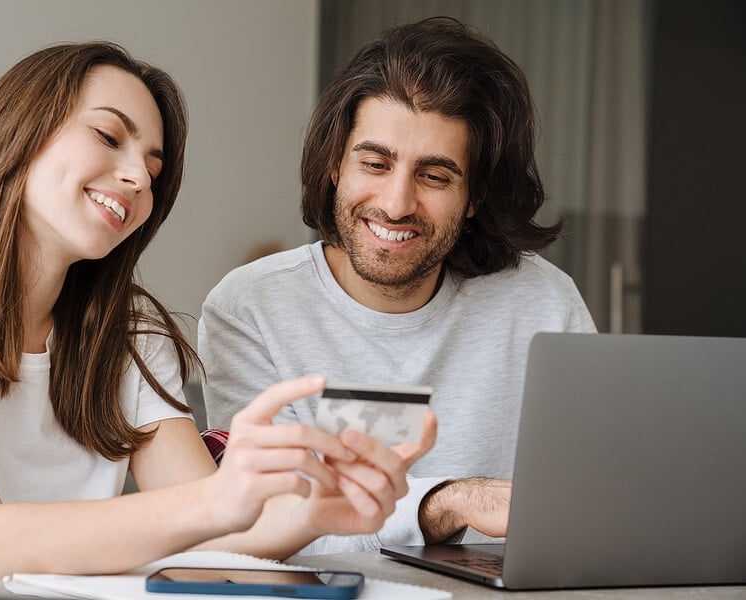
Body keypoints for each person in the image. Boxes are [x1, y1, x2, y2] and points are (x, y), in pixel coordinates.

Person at [0, 42, 436, 593]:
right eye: (108, 136)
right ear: (15, 137)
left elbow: (213, 534)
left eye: (153, 170)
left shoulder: (125, 333)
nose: (136, 178)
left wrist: (318, 510)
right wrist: (219, 500)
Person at [198, 16, 597, 554]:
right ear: (336, 164)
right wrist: (445, 502)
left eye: (435, 176)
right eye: (375, 163)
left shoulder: (543, 302)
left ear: (474, 195)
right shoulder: (249, 308)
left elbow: (590, 500)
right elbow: (270, 526)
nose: (396, 203)